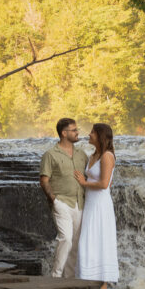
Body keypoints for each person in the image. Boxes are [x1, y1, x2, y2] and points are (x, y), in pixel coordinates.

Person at [39, 117, 88, 277]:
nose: (77, 132)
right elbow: (44, 180)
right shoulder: (50, 154)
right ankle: (56, 276)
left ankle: (69, 278)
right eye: (74, 130)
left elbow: (88, 177)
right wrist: (54, 199)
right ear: (64, 133)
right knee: (65, 238)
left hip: (79, 203)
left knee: (75, 244)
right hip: (62, 202)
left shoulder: (82, 154)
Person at [74, 123, 119, 289]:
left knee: (96, 241)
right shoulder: (94, 154)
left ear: (100, 135)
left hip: (100, 205)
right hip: (91, 203)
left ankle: (102, 285)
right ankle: (89, 283)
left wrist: (84, 183)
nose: (89, 134)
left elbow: (105, 183)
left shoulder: (107, 156)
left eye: (92, 132)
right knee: (88, 242)